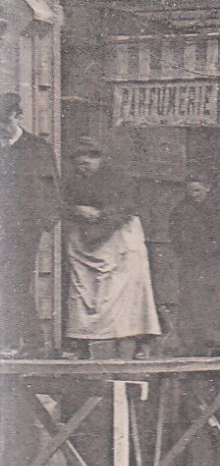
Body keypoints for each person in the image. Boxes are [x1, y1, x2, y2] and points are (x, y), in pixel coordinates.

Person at [61, 138, 162, 358]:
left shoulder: (119, 179)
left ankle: (135, 341)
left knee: (123, 291)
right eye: (78, 165)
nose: (82, 168)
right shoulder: (72, 182)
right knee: (83, 292)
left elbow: (127, 207)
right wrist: (77, 210)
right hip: (85, 241)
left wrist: (100, 214)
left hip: (117, 238)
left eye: (86, 163)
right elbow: (61, 204)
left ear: (98, 159)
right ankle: (82, 341)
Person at [161, 173, 220, 353]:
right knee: (193, 301)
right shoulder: (181, 211)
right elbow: (176, 237)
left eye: (197, 190)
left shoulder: (218, 210)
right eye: (190, 191)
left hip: (217, 262)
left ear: (207, 188)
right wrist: (187, 253)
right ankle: (194, 341)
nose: (194, 195)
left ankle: (218, 339)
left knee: (219, 300)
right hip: (193, 262)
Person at [1, 93, 59, 356]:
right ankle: (30, 342)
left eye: (3, 124)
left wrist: (42, 223)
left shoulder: (37, 148)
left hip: (23, 230)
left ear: (16, 116)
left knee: (14, 281)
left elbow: (51, 191)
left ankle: (18, 343)